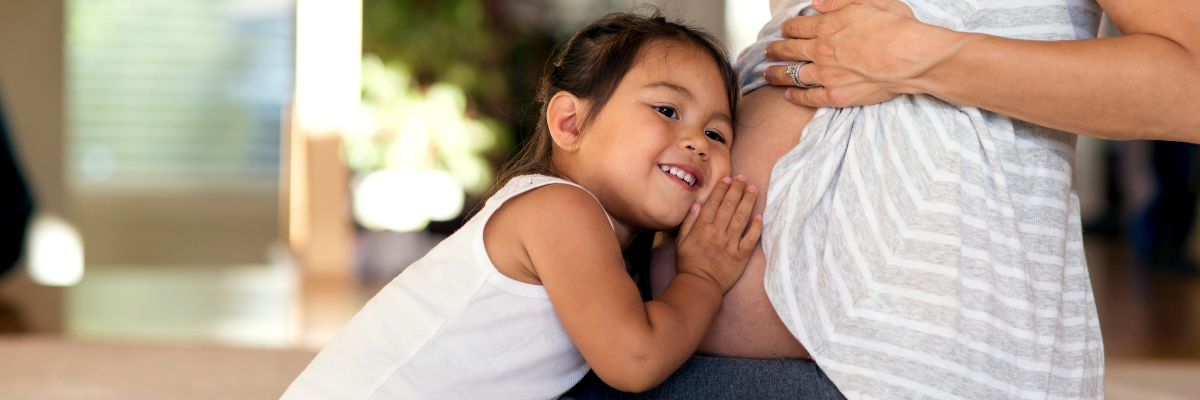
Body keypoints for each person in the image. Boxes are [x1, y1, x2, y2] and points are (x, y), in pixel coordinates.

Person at [281, 12, 763, 399]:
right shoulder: (560, 210)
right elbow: (635, 360)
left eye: (717, 133)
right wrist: (702, 277)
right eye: (667, 110)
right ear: (570, 123)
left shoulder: (593, 235)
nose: (698, 142)